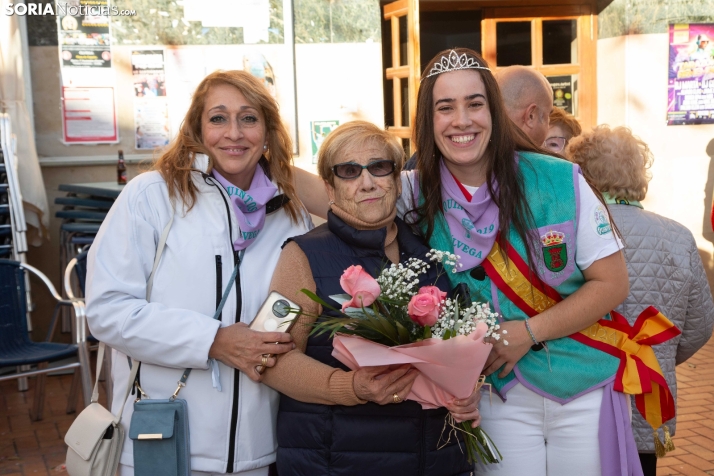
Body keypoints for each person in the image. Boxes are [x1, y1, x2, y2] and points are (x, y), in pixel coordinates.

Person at [398, 48, 638, 476]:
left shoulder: (560, 179)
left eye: (475, 103)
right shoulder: (413, 193)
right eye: (445, 107)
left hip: (581, 381)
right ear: (427, 121)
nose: (462, 120)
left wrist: (528, 331)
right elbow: (334, 192)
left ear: (493, 110)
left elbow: (612, 283)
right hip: (496, 393)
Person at [86, 70, 313, 476]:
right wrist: (213, 340)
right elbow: (108, 310)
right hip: (163, 443)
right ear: (196, 128)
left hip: (260, 449)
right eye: (218, 118)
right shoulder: (152, 196)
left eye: (248, 118)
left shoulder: (290, 212)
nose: (234, 133)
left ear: (267, 131)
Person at [263, 120, 478, 476]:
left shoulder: (432, 252)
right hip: (339, 462)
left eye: (379, 167)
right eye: (349, 171)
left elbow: (458, 353)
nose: (367, 182)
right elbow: (269, 357)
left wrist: (466, 393)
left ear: (397, 179)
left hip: (435, 460)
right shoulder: (301, 256)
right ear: (330, 187)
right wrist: (350, 387)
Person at [568, 125, 714, 476]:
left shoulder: (572, 232)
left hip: (584, 397)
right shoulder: (679, 236)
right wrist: (657, 355)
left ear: (582, 174)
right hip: (649, 390)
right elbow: (701, 323)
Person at [494, 65, 553, 146]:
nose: (548, 127)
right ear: (531, 116)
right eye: (548, 117)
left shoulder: (476, 154)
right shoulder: (541, 159)